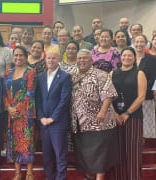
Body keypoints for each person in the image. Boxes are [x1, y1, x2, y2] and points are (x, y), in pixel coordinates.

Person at [71, 49, 118, 180]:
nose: (82, 61)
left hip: (99, 122)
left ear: (91, 60)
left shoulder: (101, 74)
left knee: (100, 154)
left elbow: (108, 94)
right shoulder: (73, 77)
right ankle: (89, 176)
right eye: (79, 58)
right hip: (80, 123)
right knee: (85, 154)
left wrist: (102, 111)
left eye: (85, 58)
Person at [112, 47, 147, 180]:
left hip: (133, 117)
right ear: (120, 57)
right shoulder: (112, 73)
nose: (126, 57)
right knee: (118, 152)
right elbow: (108, 96)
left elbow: (141, 97)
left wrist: (126, 113)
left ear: (134, 58)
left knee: (132, 153)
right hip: (116, 118)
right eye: (124, 55)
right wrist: (115, 114)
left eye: (130, 55)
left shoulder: (139, 73)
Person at [36, 50, 72, 180]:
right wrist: (41, 117)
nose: (51, 60)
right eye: (49, 58)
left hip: (58, 123)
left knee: (60, 155)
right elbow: (37, 99)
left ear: (59, 60)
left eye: (54, 58)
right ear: (45, 60)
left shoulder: (65, 77)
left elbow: (64, 100)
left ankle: (60, 178)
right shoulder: (40, 77)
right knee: (47, 156)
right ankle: (49, 177)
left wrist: (53, 118)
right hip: (44, 123)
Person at [4, 46, 37, 180]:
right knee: (13, 142)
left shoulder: (31, 71)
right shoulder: (8, 73)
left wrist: (17, 109)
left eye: (21, 55)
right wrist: (9, 108)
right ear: (13, 57)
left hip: (26, 113)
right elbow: (4, 94)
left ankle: (29, 172)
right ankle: (17, 172)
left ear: (26, 56)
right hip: (12, 115)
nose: (18, 58)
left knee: (27, 143)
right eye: (16, 55)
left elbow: (30, 92)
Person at [134, 34, 156, 139]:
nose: (139, 44)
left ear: (146, 43)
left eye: (141, 42)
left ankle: (148, 143)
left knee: (148, 121)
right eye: (137, 42)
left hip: (147, 95)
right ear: (134, 43)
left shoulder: (152, 59)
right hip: (132, 96)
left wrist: (152, 90)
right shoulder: (129, 57)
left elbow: (155, 77)